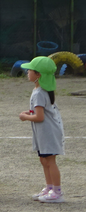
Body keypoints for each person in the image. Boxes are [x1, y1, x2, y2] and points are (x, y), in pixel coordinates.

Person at [19, 57, 66, 203]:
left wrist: (25, 117)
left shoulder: (39, 92)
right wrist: (29, 113)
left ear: (38, 75)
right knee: (44, 160)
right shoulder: (40, 90)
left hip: (48, 132)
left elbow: (40, 117)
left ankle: (57, 192)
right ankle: (49, 187)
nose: (27, 72)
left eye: (30, 70)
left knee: (50, 161)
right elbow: (40, 112)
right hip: (44, 132)